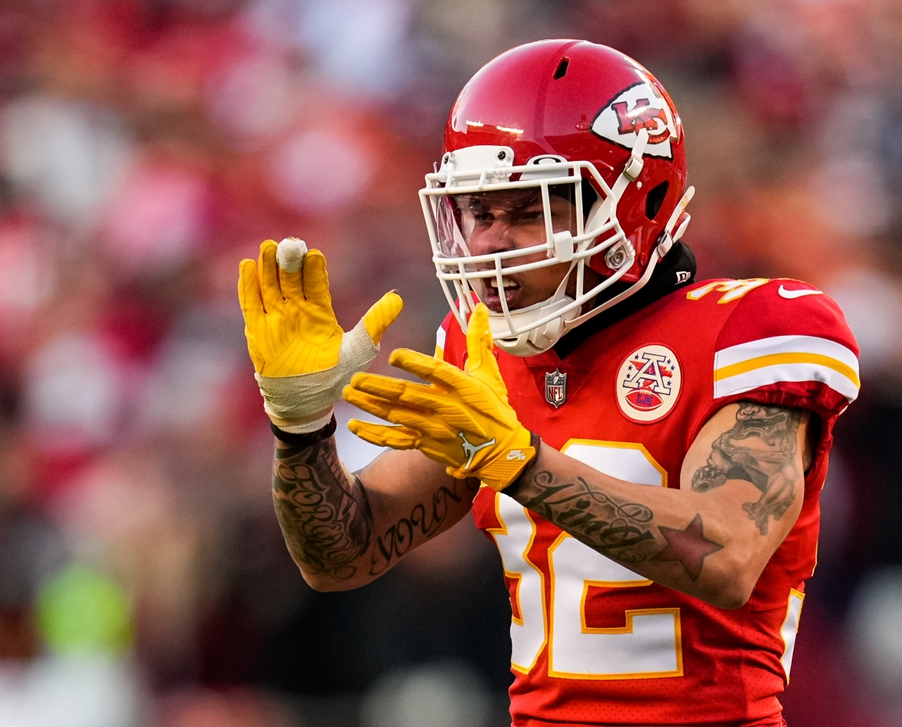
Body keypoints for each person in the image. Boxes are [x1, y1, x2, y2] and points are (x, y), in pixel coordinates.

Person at [238, 39, 860, 727]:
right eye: (479, 211)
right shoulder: (481, 349)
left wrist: (521, 463)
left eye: (528, 210)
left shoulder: (752, 327)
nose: (490, 245)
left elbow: (725, 553)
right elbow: (343, 553)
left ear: (635, 201)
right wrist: (300, 429)